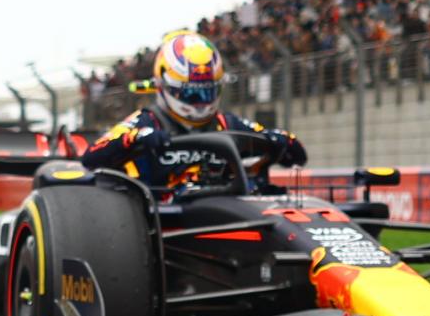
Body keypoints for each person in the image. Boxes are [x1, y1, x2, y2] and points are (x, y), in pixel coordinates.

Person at [81, 32, 308, 194]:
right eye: (190, 93)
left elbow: (297, 156)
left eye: (207, 92)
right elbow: (91, 156)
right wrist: (136, 139)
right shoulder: (145, 122)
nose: (200, 103)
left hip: (235, 217)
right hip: (167, 226)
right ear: (164, 85)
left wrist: (280, 140)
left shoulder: (228, 123)